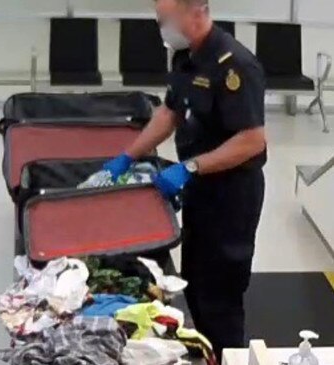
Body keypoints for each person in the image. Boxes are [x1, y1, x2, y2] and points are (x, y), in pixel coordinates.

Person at [96, 0, 266, 358]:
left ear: (197, 11)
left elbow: (252, 140)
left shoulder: (234, 65)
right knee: (195, 281)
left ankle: (228, 356)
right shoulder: (186, 57)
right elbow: (170, 111)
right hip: (199, 188)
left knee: (221, 295)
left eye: (166, 20)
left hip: (232, 195)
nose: (162, 28)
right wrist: (128, 155)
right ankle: (206, 351)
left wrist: (190, 167)